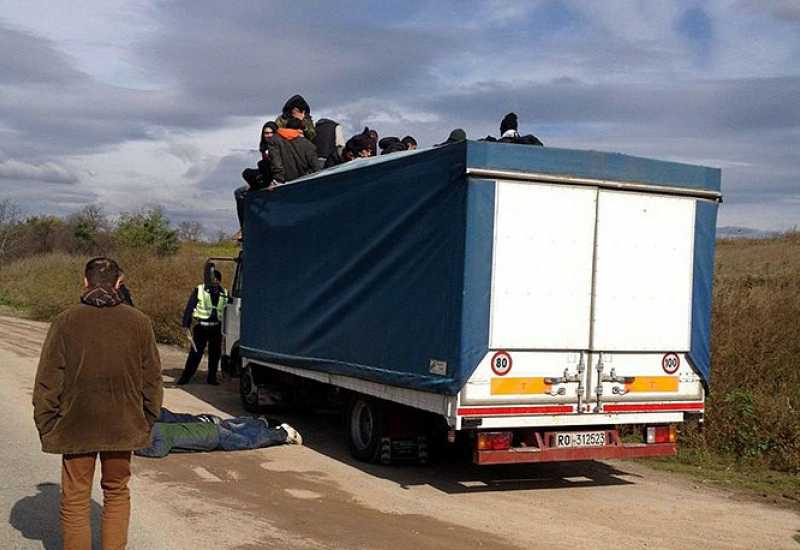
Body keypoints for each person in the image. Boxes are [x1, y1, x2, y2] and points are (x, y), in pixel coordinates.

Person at [33, 256, 163, 550]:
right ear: (119, 283)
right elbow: (152, 380)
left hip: (76, 424)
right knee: (117, 492)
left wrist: (47, 424)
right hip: (123, 424)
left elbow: (48, 379)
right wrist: (146, 419)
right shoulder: (140, 322)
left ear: (85, 281)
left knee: (76, 497)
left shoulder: (65, 321)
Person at [135, 408, 302, 458]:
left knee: (248, 442)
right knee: (239, 431)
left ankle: (282, 434)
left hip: (213, 437)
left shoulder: (160, 432)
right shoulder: (158, 428)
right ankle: (261, 423)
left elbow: (158, 451)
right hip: (210, 431)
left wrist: (136, 450)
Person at [177, 267, 228, 386]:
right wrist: (186, 324)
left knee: (215, 354)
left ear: (219, 280)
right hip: (201, 328)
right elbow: (190, 307)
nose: (213, 281)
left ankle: (212, 378)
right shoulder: (200, 290)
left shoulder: (224, 293)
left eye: (215, 279)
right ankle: (185, 378)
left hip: (216, 328)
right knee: (195, 354)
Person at [236, 122, 277, 234]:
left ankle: (245, 227)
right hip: (265, 176)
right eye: (266, 133)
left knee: (241, 193)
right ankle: (244, 226)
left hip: (271, 179)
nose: (268, 135)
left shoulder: (276, 147)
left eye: (270, 133)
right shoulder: (264, 148)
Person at [266, 117, 320, 183]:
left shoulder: (274, 140)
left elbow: (276, 163)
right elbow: (316, 166)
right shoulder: (306, 142)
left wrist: (278, 180)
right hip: (306, 180)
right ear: (300, 129)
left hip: (286, 182)